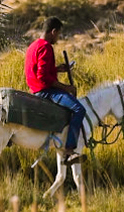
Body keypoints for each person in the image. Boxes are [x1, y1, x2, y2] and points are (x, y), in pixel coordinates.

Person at [24, 16, 86, 164]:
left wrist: (58, 69)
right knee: (79, 109)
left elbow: (41, 70)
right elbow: (43, 77)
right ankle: (69, 151)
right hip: (45, 91)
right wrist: (67, 88)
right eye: (58, 34)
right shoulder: (46, 47)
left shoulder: (33, 45)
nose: (58, 38)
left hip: (36, 88)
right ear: (53, 31)